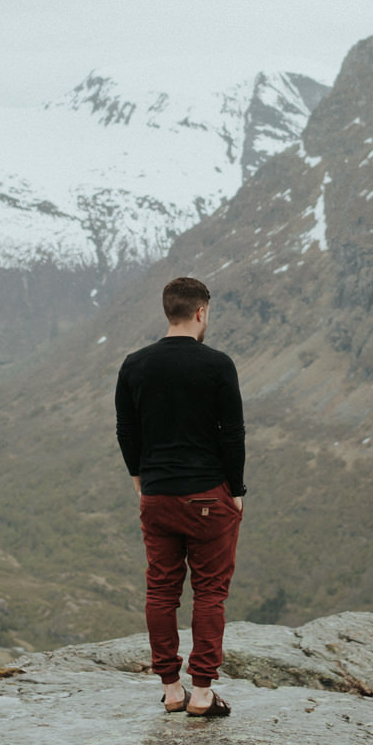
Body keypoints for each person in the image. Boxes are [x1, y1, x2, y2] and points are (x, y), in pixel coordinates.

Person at [114, 275, 246, 718]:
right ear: (201, 312)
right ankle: (203, 692)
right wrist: (237, 489)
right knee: (209, 593)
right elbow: (233, 434)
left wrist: (139, 477)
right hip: (208, 495)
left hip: (156, 495)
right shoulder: (217, 364)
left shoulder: (135, 364)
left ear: (167, 311)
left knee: (161, 591)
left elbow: (126, 429)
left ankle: (171, 688)